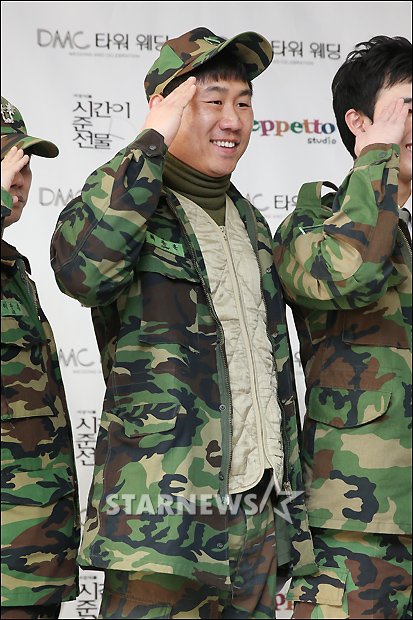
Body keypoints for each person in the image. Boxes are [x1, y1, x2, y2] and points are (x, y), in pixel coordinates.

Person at [50, 27, 316, 620]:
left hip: (258, 514)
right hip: (162, 523)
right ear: (167, 108)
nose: (232, 120)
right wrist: (151, 140)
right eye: (212, 101)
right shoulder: (132, 207)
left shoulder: (251, 223)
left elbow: (268, 378)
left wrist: (284, 515)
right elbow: (83, 269)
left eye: (243, 103)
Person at [273, 36, 412, 618]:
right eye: (408, 108)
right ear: (358, 122)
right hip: (356, 525)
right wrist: (379, 155)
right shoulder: (311, 224)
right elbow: (350, 273)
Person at [1, 97, 80, 619]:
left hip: (33, 556)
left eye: (24, 164)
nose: (18, 177)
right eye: (5, 160)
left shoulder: (14, 271)